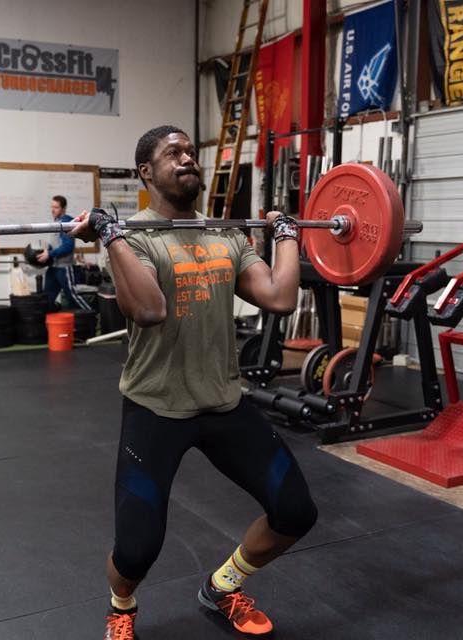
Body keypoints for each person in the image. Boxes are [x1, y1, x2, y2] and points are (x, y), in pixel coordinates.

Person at [68, 126, 318, 640]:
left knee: (296, 512)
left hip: (223, 403)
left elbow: (278, 297)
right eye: (172, 153)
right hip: (156, 408)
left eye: (190, 151)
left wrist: (288, 235)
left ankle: (222, 586)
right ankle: (122, 605)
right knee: (136, 549)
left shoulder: (224, 233)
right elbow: (150, 310)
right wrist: (111, 237)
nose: (187, 159)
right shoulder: (134, 234)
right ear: (146, 172)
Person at [37, 195, 92, 311]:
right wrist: (45, 251)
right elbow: (56, 244)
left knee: (73, 297)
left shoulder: (67, 222)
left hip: (64, 268)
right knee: (47, 299)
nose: (53, 210)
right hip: (53, 268)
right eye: (52, 207)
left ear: (63, 208)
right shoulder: (55, 222)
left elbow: (68, 246)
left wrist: (49, 254)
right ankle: (51, 325)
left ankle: (93, 316)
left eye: (56, 207)